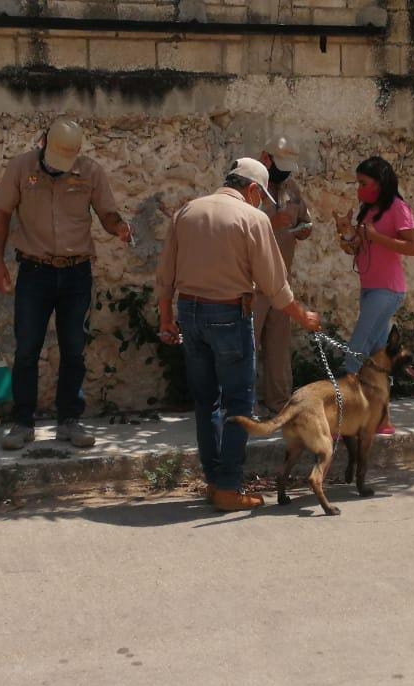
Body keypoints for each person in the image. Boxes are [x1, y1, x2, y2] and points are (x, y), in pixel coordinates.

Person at [156, 158, 322, 512]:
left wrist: (166, 320)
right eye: (261, 197)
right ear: (252, 190)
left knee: (206, 402)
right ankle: (228, 487)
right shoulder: (252, 218)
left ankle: (215, 481)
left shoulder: (187, 212)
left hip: (190, 312)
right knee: (238, 402)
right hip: (229, 313)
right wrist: (302, 315)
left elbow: (165, 275)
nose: (261, 204)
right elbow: (275, 286)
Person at [0, 117, 132, 451]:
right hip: (34, 273)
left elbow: (107, 213)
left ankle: (69, 421)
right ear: (43, 143)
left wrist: (119, 227)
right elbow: (2, 215)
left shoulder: (91, 172)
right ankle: (23, 423)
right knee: (26, 349)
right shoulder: (20, 167)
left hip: (76, 274)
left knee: (74, 349)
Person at [333, 155, 414, 435]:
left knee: (354, 352)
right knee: (378, 356)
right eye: (357, 183)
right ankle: (383, 421)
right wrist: (348, 235)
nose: (359, 188)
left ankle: (341, 419)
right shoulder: (368, 210)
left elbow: (412, 247)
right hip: (370, 288)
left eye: (364, 183)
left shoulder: (398, 208)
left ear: (380, 182)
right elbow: (359, 247)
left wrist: (375, 237)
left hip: (388, 290)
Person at [253, 136, 313, 415]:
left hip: (281, 283)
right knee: (246, 346)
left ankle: (279, 403)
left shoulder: (291, 187)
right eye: (281, 165)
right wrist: (270, 222)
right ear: (266, 158)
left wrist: (304, 229)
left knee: (278, 347)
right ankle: (243, 405)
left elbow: (306, 220)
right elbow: (238, 227)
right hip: (251, 283)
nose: (285, 172)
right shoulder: (249, 187)